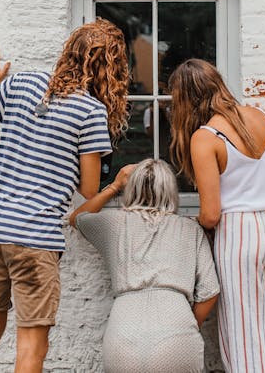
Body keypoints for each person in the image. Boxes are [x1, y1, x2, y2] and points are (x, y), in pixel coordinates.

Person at [0, 18, 129, 373]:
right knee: (32, 344)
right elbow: (89, 189)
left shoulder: (25, 83)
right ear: (111, 69)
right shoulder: (91, 112)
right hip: (34, 238)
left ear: (70, 52)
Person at [168, 59, 265, 373]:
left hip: (241, 235)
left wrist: (190, 226)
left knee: (244, 339)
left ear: (186, 100)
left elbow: (211, 214)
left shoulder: (205, 138)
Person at [68, 159, 220, 373]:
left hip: (124, 330)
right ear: (171, 191)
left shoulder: (114, 223)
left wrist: (114, 186)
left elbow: (77, 217)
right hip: (177, 329)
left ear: (132, 189)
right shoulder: (190, 228)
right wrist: (188, 323)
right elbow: (209, 291)